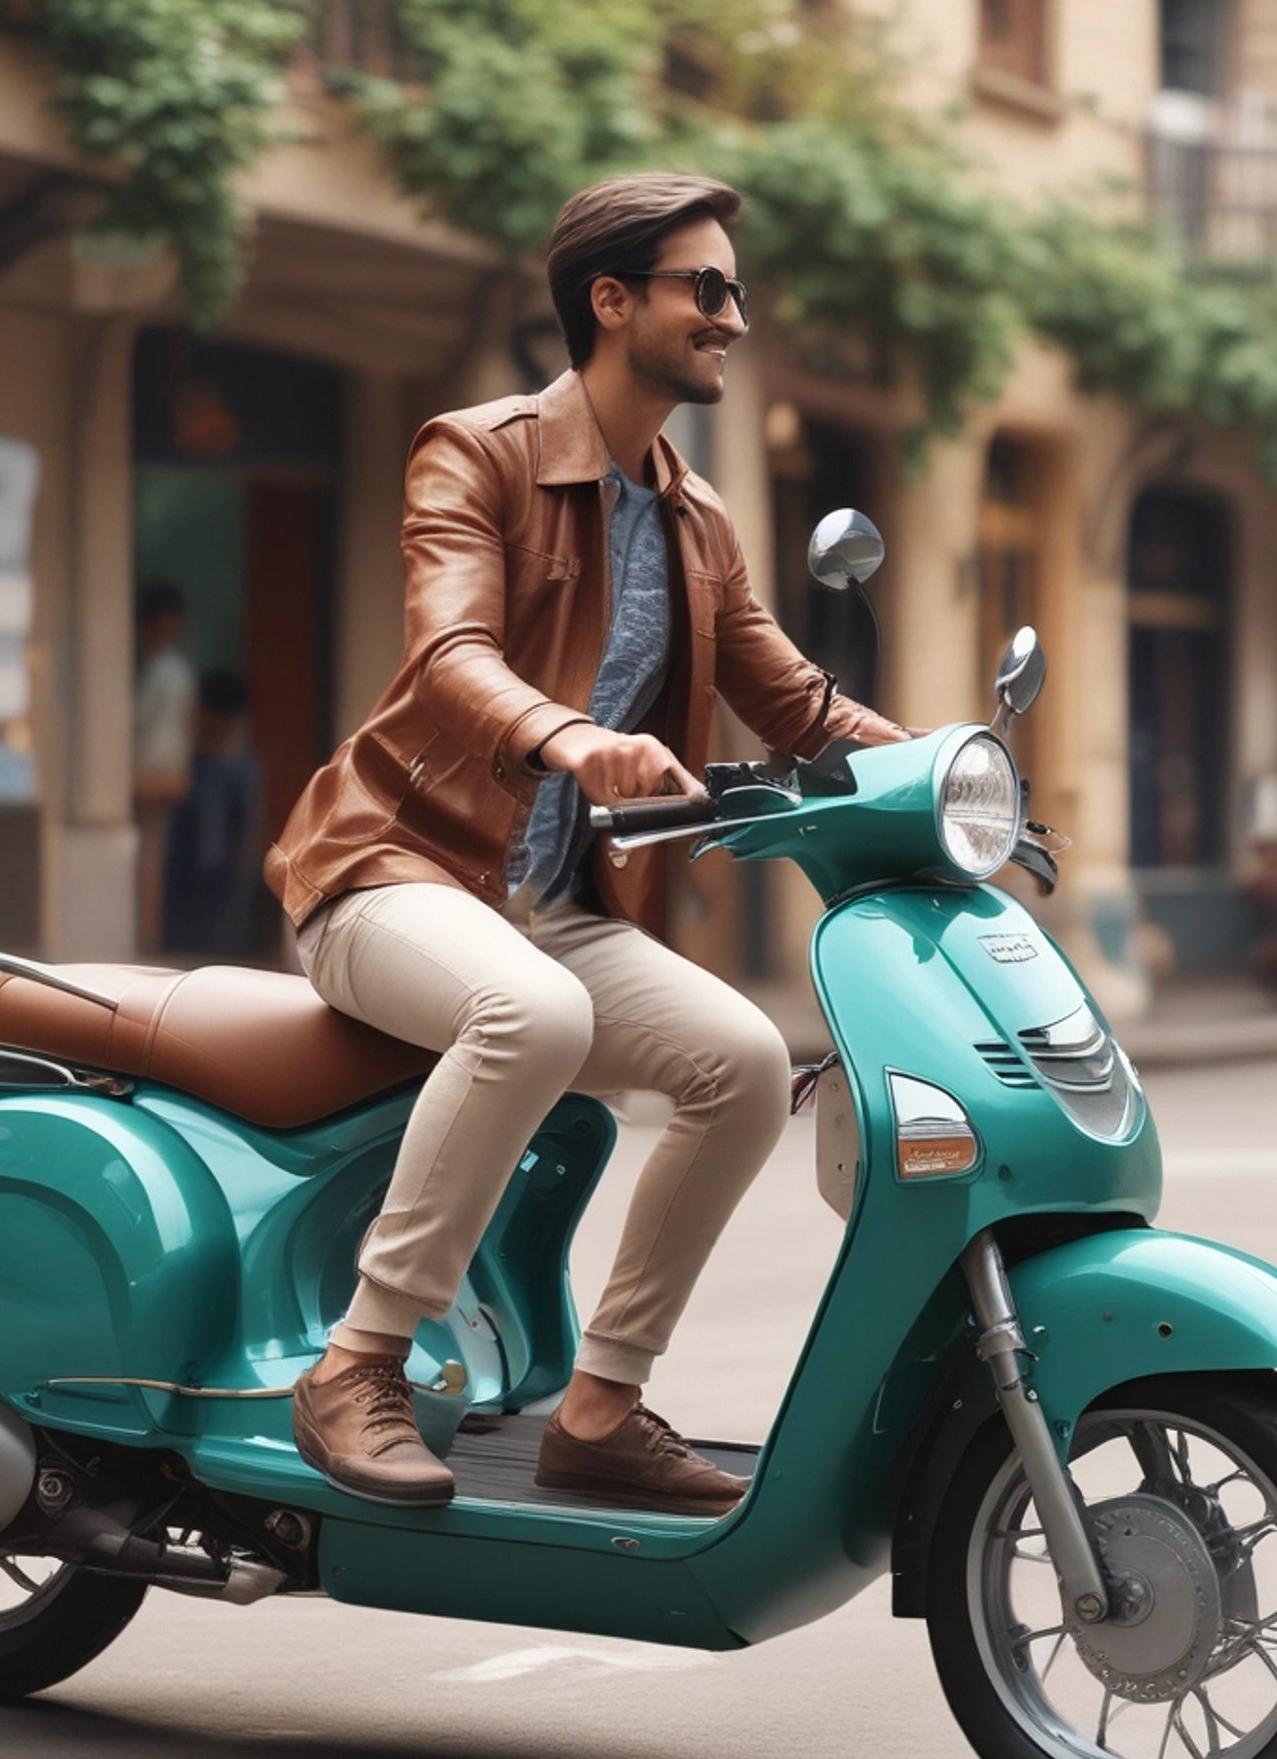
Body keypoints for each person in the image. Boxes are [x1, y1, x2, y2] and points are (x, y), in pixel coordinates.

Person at [265, 173, 915, 1514]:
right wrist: (566, 737)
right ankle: (358, 1366)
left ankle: (603, 1405)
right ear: (611, 302)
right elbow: (450, 654)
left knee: (740, 1064)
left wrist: (951, 772)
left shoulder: (699, 518)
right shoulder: (478, 450)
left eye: (736, 290)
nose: (734, 316)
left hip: (551, 906)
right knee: (533, 1016)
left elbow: (795, 703)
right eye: (707, 289)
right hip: (395, 869)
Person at [163, 668, 263, 954]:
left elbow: (242, 837)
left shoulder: (237, 773)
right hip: (190, 890)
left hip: (221, 892)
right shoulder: (190, 770)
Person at [132, 581, 198, 952]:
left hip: (155, 774)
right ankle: (149, 939)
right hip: (163, 772)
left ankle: (149, 940)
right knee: (151, 859)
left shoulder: (165, 672)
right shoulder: (167, 670)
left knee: (150, 863)